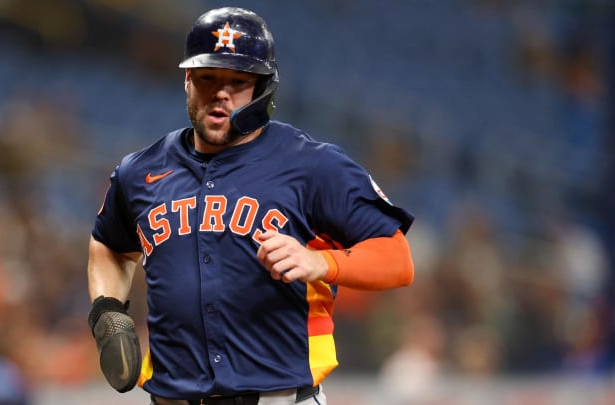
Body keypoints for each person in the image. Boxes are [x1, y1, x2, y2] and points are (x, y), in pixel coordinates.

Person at [86, 7, 415, 405]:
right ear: (188, 80)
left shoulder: (313, 164)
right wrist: (107, 310)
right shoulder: (139, 171)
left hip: (280, 397)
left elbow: (397, 257)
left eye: (237, 81)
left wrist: (322, 264)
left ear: (262, 89)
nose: (220, 92)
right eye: (208, 78)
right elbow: (110, 245)